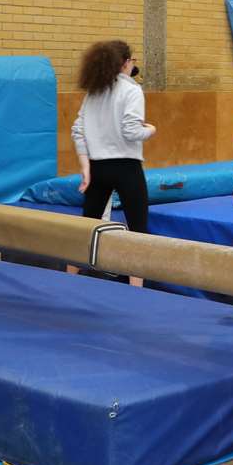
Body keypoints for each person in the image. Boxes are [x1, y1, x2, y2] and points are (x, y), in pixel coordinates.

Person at [72, 40, 155, 285]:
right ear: (125, 63)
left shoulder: (94, 91)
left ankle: (68, 278)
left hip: (98, 167)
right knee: (138, 231)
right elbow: (130, 131)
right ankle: (136, 289)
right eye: (133, 61)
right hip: (126, 168)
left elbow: (78, 130)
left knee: (86, 226)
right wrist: (150, 130)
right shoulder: (131, 90)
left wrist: (86, 168)